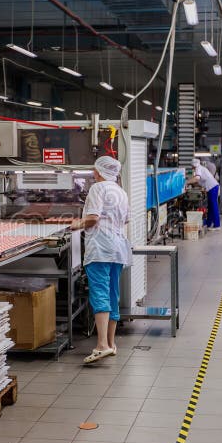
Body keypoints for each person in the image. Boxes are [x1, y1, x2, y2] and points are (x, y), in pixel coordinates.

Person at [71, 156, 131, 364]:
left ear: (99, 172)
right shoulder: (121, 191)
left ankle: (101, 345)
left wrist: (75, 225)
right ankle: (111, 344)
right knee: (112, 293)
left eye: (94, 170)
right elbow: (126, 220)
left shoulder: (98, 189)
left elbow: (93, 218)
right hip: (118, 248)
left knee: (99, 294)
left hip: (100, 248)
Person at [191, 158, 220, 230]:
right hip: (212, 188)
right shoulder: (200, 168)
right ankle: (208, 223)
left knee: (214, 206)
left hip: (212, 187)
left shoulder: (198, 169)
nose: (192, 168)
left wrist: (186, 182)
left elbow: (197, 178)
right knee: (210, 207)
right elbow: (201, 181)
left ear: (193, 165)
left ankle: (217, 225)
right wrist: (195, 185)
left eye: (192, 166)